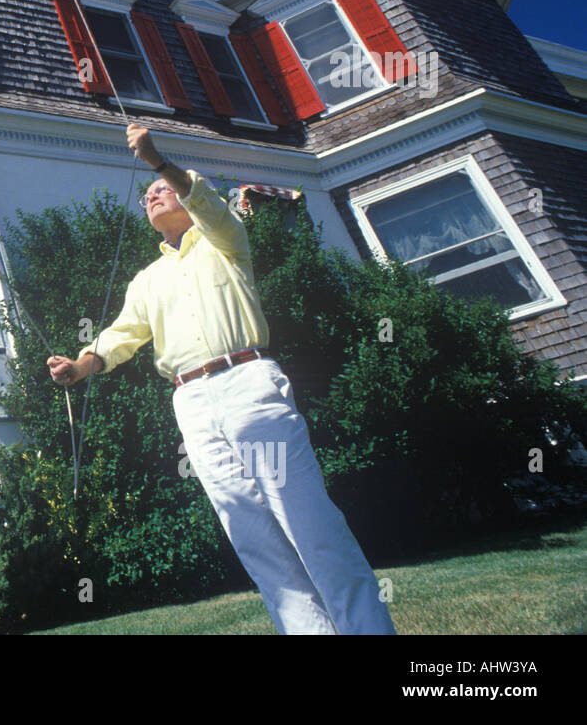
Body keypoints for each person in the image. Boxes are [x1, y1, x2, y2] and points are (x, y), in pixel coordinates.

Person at [46, 123, 395, 635]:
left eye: (162, 188)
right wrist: (81, 365)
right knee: (254, 540)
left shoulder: (225, 239)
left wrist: (158, 161)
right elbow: (121, 335)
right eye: (147, 194)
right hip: (191, 404)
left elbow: (206, 201)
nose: (152, 194)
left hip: (248, 384)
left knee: (307, 522)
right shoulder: (146, 280)